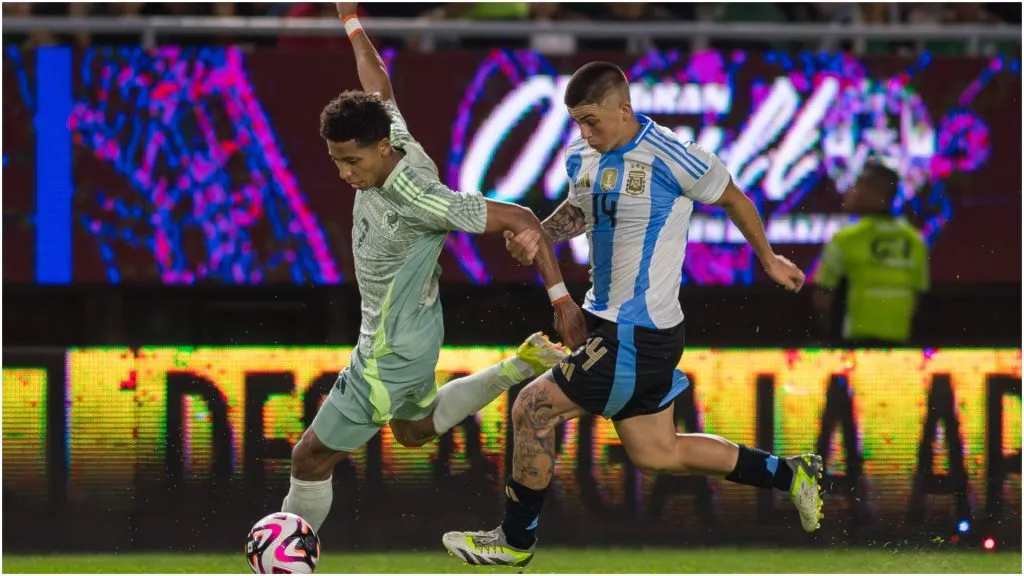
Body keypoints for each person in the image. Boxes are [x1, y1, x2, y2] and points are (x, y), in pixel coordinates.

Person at [442, 62, 823, 567]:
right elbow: (581, 211)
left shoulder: (671, 155)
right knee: (657, 452)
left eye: (592, 121)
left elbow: (733, 198)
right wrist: (541, 235)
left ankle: (514, 541)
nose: (584, 133)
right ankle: (790, 473)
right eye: (577, 122)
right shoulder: (581, 155)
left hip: (638, 333)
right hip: (612, 326)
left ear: (624, 109)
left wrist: (768, 258)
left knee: (533, 408)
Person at [280, 2, 588, 536]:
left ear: (382, 149)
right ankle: (519, 366)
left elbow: (520, 218)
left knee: (309, 459)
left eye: (352, 161)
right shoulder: (393, 134)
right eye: (336, 161)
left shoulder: (421, 196)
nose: (344, 173)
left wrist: (561, 298)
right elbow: (377, 79)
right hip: (418, 332)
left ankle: (286, 563)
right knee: (414, 430)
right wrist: (351, 20)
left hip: (389, 351)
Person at [811, 158, 930, 346]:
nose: (850, 192)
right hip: (901, 346)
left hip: (855, 346)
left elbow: (822, 298)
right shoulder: (915, 241)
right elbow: (917, 299)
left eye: (857, 186)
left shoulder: (845, 239)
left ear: (875, 194)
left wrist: (831, 340)